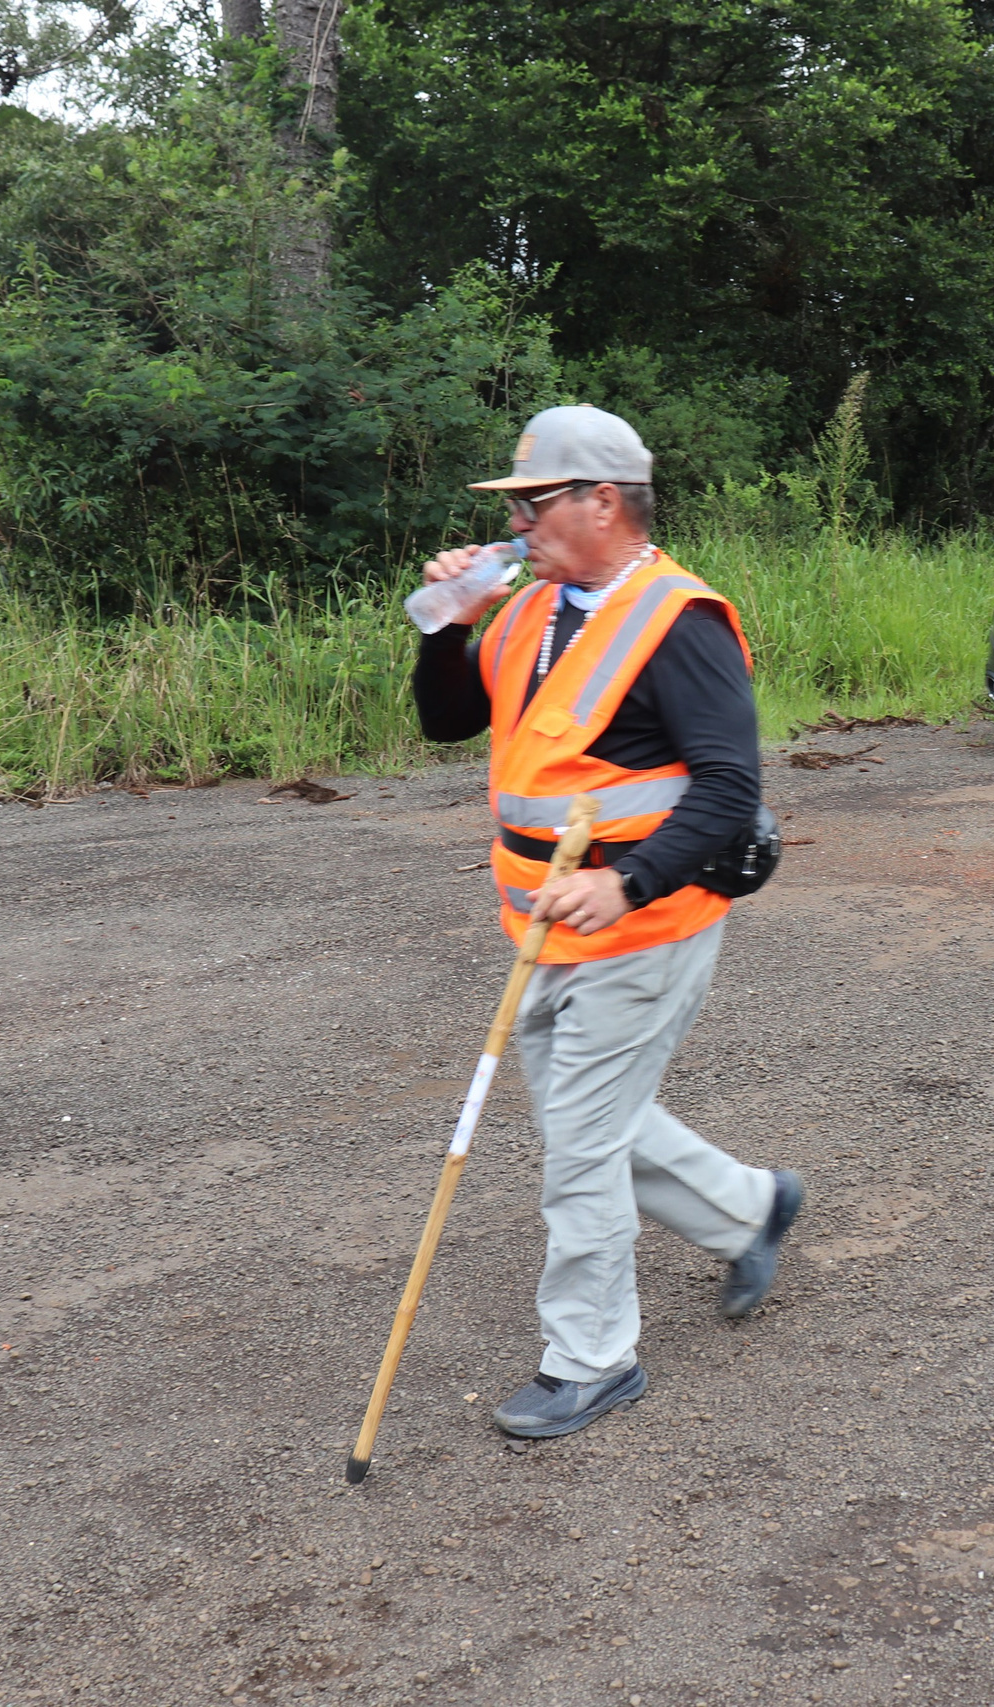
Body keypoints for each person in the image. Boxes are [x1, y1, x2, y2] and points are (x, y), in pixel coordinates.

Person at [410, 405, 802, 1439]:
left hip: (646, 926)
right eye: (518, 505)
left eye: (537, 503)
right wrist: (449, 624)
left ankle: (591, 1356)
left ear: (603, 502)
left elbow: (729, 790)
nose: (521, 522)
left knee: (579, 1142)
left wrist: (626, 883)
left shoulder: (679, 620)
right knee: (587, 1121)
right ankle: (751, 1209)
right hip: (545, 928)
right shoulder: (535, 609)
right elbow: (448, 719)